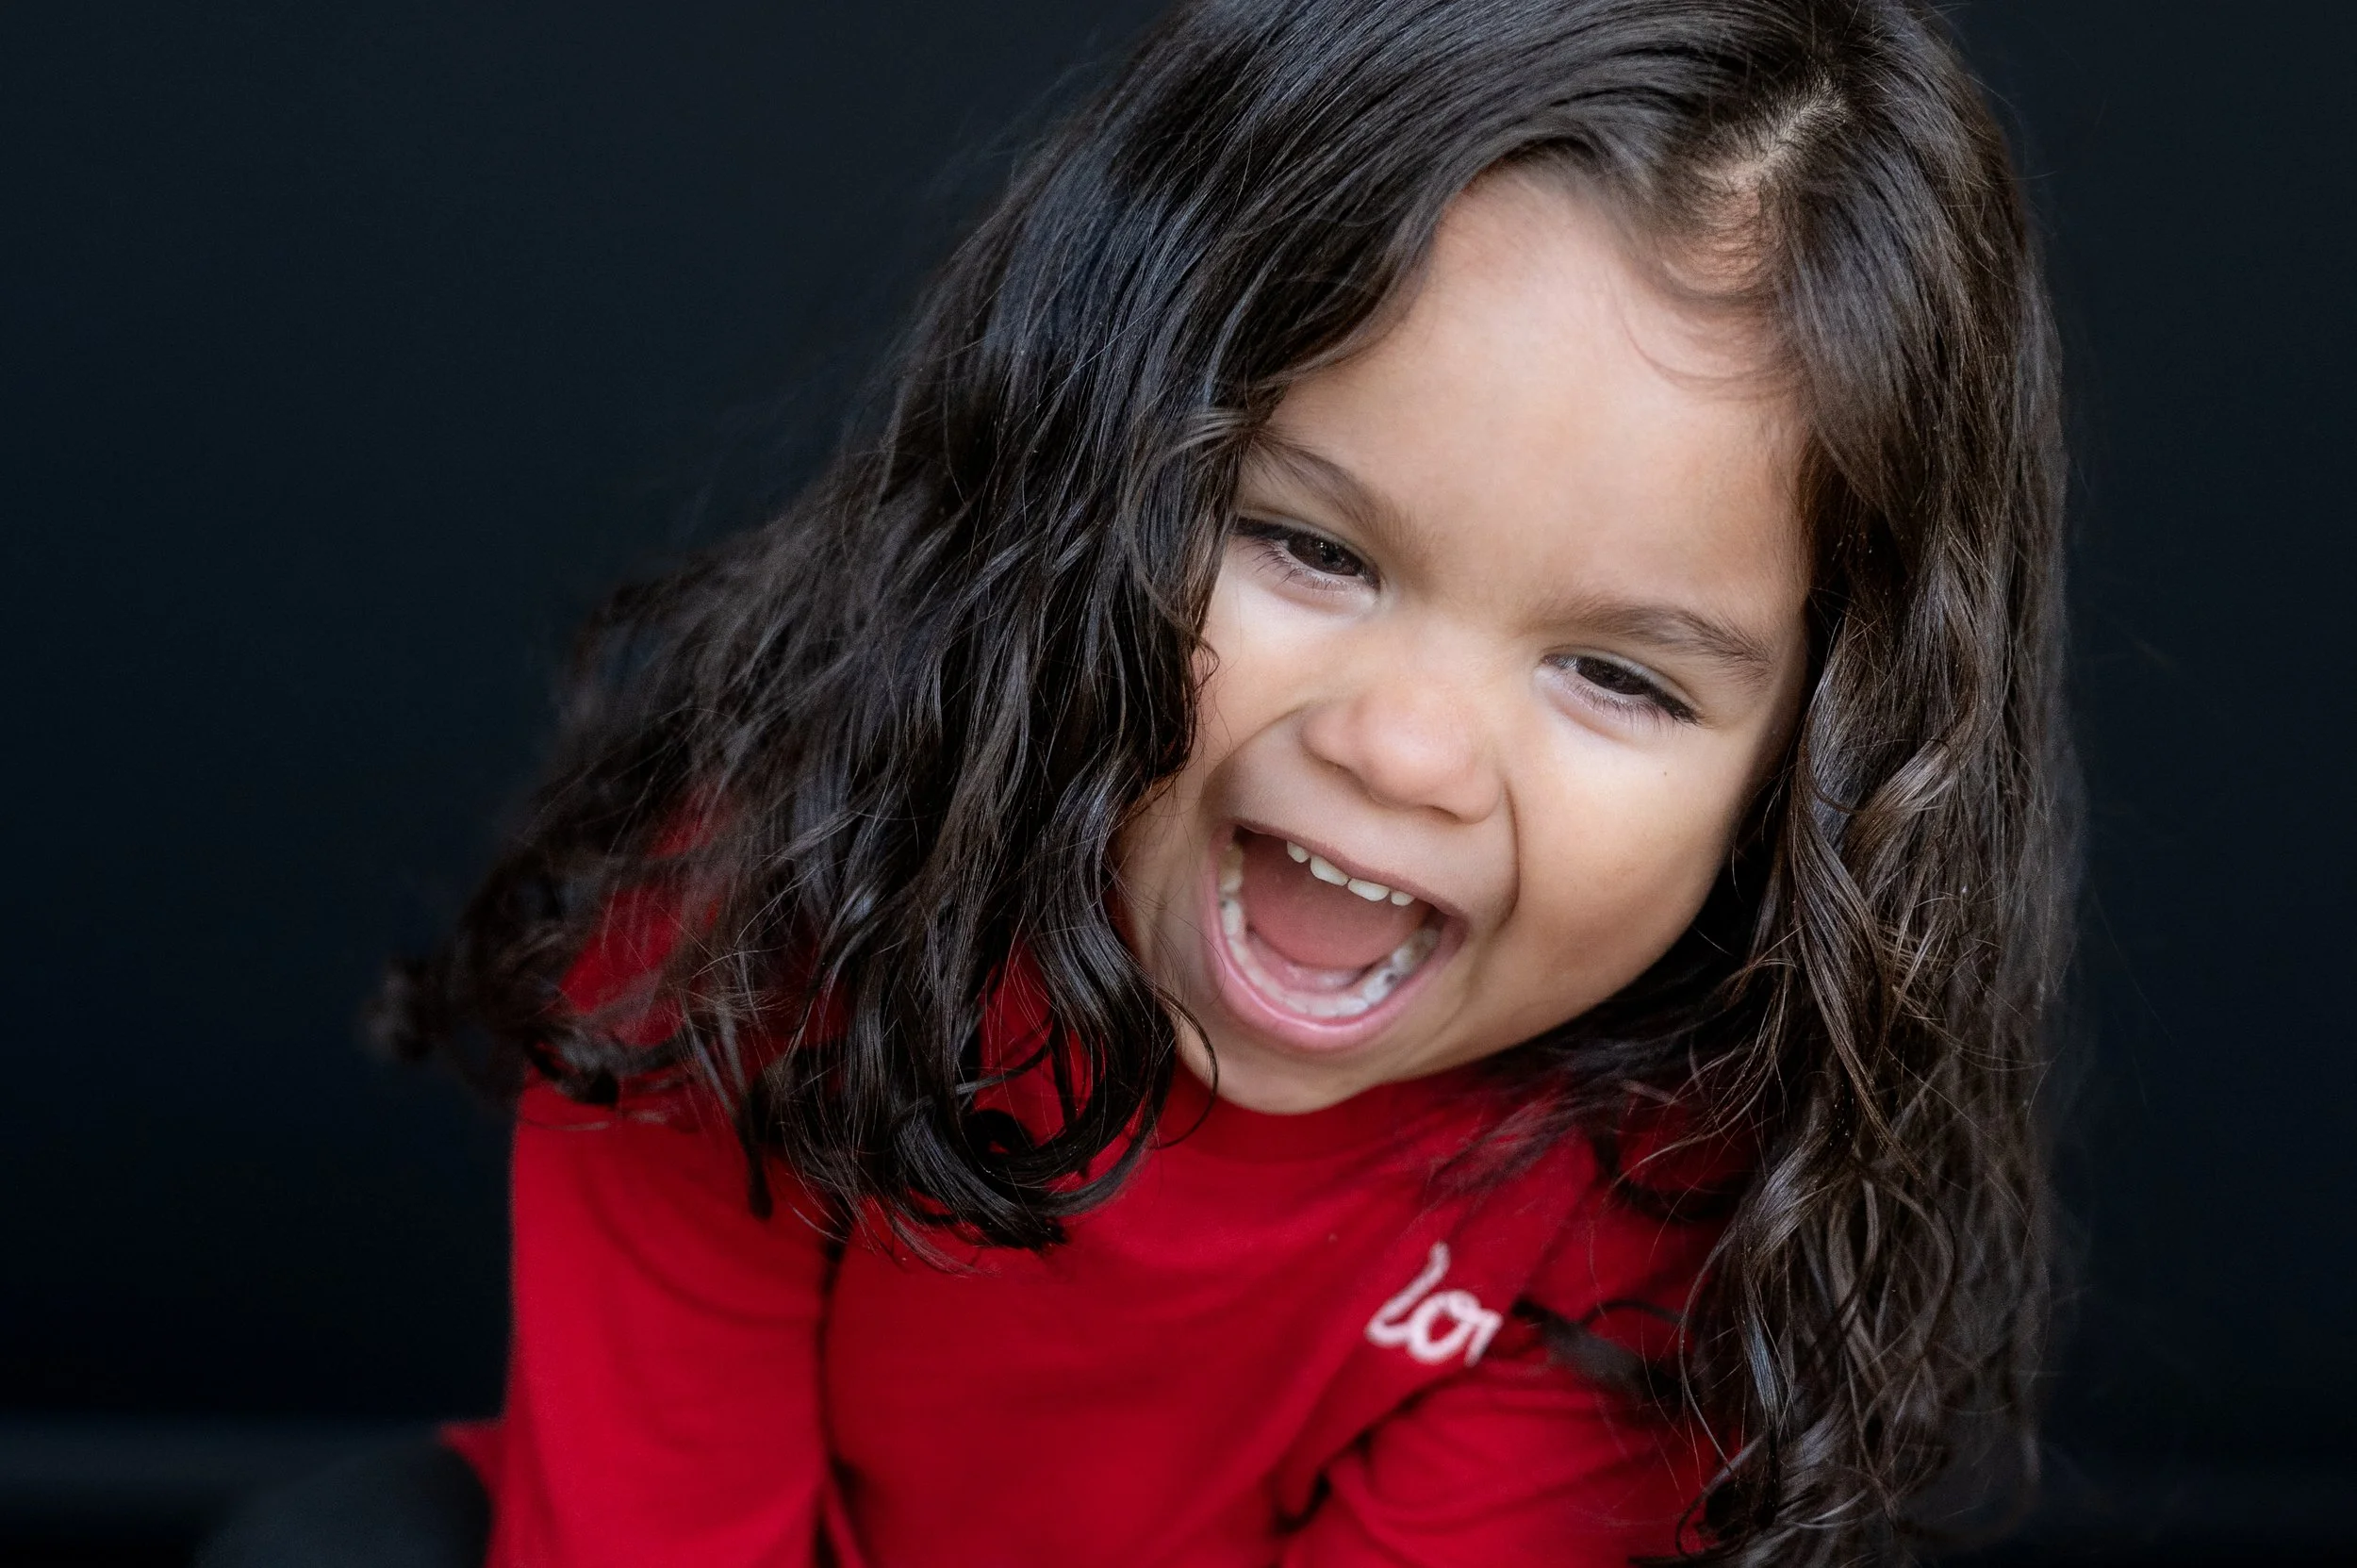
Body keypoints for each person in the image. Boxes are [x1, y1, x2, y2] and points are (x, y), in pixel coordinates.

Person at [208, 0, 2074, 1563]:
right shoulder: (763, 917)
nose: (1405, 748)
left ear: (1812, 764)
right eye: (1309, 548)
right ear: (1072, 474)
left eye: (1617, 675)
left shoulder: (1656, 1212)